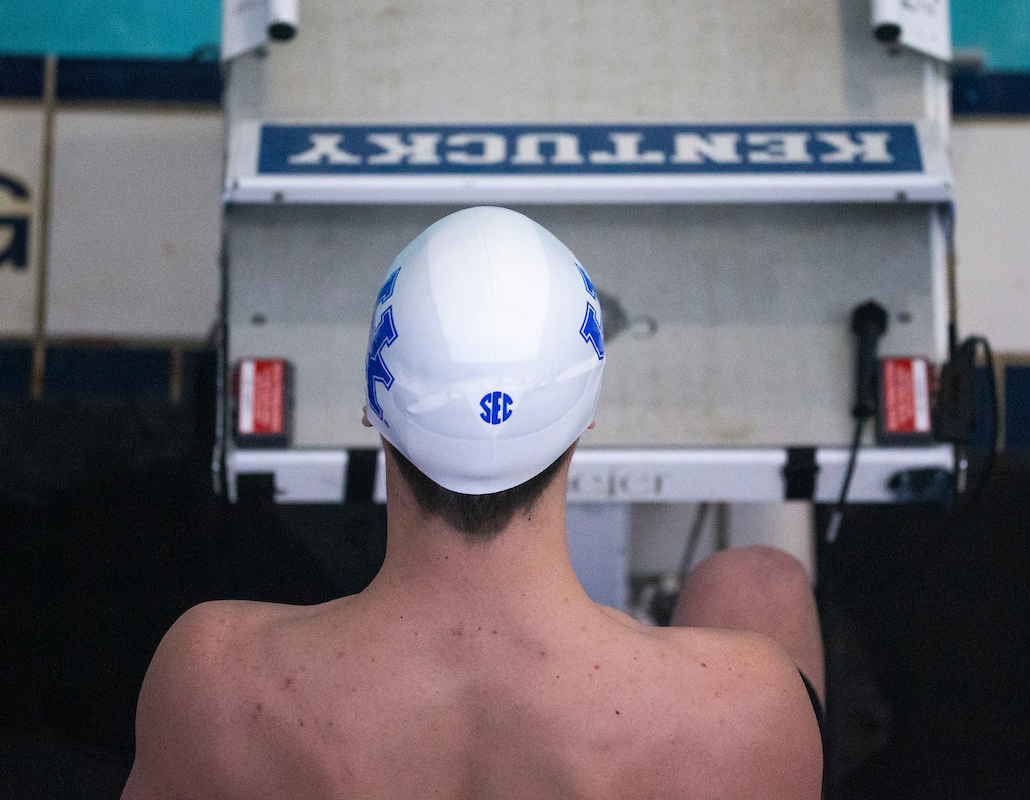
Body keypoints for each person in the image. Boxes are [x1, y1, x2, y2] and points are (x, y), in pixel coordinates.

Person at [121, 207, 824, 800]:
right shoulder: (751, 705)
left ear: (373, 407)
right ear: (585, 415)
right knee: (760, 582)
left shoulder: (210, 675)